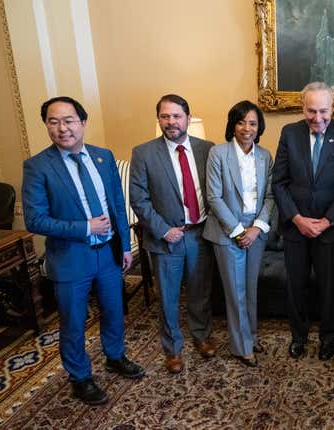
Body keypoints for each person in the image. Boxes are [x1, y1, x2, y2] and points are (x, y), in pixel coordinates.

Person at [22, 97, 144, 405]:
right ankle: (80, 377)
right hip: (70, 258)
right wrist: (85, 227)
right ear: (47, 125)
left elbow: (116, 203)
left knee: (114, 310)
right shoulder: (37, 166)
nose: (62, 128)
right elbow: (35, 219)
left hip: (108, 254)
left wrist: (124, 245)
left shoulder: (103, 157)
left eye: (69, 120)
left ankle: (115, 356)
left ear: (83, 122)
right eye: (53, 121)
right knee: (74, 322)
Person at [272, 82, 334, 361]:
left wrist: (326, 221)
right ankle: (298, 337)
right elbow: (279, 183)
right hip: (295, 228)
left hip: (330, 230)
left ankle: (328, 338)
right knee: (295, 286)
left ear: (333, 108)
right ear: (302, 108)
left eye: (323, 111)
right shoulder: (289, 133)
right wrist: (297, 219)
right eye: (311, 111)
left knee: (329, 287)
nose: (317, 117)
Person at [129, 94, 215, 374]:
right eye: (165, 116)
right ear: (159, 120)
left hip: (200, 234)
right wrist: (164, 230)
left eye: (177, 116)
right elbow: (139, 199)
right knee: (167, 297)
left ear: (188, 118)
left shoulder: (207, 149)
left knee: (200, 292)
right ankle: (173, 349)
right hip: (167, 238)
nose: (171, 122)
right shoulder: (144, 153)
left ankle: (201, 337)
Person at [202, 101, 274, 367]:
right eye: (241, 122)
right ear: (233, 125)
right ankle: (241, 346)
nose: (247, 128)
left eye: (253, 123)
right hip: (226, 230)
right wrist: (237, 230)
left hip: (256, 230)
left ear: (259, 127)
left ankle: (251, 337)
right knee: (235, 290)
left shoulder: (265, 156)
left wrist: (256, 228)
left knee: (251, 288)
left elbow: (270, 196)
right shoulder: (218, 153)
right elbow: (214, 196)